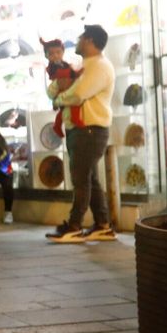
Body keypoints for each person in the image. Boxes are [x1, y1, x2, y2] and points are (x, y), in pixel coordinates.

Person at [47, 25, 116, 242]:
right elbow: (60, 87)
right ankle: (102, 225)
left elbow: (78, 94)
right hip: (82, 129)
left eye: (80, 37)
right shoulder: (85, 65)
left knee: (80, 178)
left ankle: (75, 225)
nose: (76, 40)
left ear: (89, 40)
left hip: (90, 129)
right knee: (89, 178)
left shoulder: (99, 66)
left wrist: (58, 99)